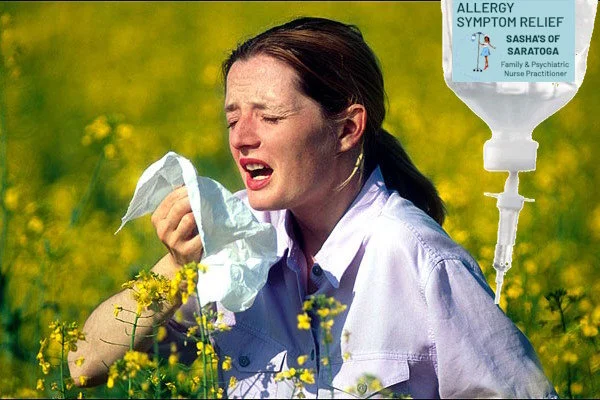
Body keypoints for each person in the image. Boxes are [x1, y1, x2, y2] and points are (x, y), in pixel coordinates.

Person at [69, 17, 557, 398]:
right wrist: (177, 268)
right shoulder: (235, 237)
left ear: (347, 129)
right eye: (232, 119)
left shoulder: (419, 259)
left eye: (271, 117)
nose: (241, 139)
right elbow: (84, 364)